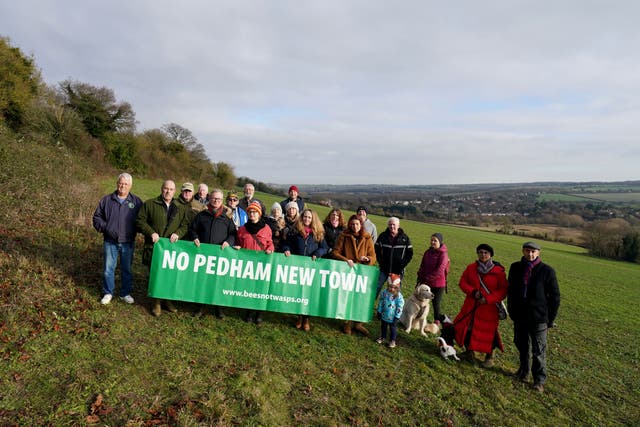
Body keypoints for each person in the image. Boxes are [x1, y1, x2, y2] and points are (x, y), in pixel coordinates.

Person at [508, 241, 560, 393]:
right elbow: (511, 291)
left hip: (539, 317)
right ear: (523, 251)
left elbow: (555, 296)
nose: (530, 254)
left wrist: (550, 318)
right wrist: (511, 310)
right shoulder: (515, 267)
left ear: (538, 253)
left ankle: (539, 380)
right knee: (521, 344)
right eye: (527, 250)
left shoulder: (547, 271)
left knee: (538, 350)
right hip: (520, 315)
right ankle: (523, 372)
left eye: (533, 251)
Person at [136, 180, 190, 316]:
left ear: (175, 191)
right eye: (166, 188)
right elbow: (139, 220)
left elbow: (185, 225)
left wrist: (178, 234)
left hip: (171, 249)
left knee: (169, 276)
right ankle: (156, 303)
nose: (168, 191)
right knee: (156, 275)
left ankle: (167, 300)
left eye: (171, 189)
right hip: (154, 247)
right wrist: (151, 232)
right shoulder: (150, 204)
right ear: (161, 189)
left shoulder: (180, 207)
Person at [453, 244, 508, 367]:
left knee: (489, 333)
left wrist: (488, 299)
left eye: (486, 253)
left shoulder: (498, 272)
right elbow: (462, 282)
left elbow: (503, 291)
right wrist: (472, 292)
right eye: (481, 252)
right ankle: (469, 352)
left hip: (489, 308)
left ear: (490, 255)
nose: (483, 255)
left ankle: (490, 357)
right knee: (468, 329)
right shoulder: (471, 268)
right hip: (471, 305)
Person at [92, 173, 143, 305]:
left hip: (128, 242)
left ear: (130, 185)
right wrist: (106, 227)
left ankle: (125, 293)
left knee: (126, 269)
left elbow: (142, 220)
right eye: (121, 183)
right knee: (109, 268)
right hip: (110, 241)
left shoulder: (136, 202)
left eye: (126, 184)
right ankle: (108, 292)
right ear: (117, 183)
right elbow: (97, 217)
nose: (123, 186)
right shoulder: (107, 200)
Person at [189, 189, 237, 319]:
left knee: (218, 282)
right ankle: (200, 306)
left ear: (222, 201)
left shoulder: (227, 218)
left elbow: (233, 234)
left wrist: (228, 242)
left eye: (219, 199)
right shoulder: (201, 215)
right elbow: (192, 229)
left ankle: (218, 308)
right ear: (210, 199)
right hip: (203, 256)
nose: (216, 201)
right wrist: (195, 237)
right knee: (203, 281)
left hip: (220, 256)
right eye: (214, 199)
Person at [282, 208, 328, 331]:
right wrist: (286, 249)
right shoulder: (295, 231)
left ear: (313, 219)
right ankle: (299, 317)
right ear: (301, 218)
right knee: (299, 292)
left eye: (309, 217)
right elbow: (286, 244)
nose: (307, 219)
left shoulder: (318, 233)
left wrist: (318, 253)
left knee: (309, 294)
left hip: (312, 268)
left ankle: (306, 319)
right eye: (305, 217)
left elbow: (325, 248)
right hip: (298, 267)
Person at [332, 215, 377, 336]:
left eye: (357, 224)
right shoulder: (344, 236)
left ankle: (358, 323)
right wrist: (346, 259)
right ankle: (347, 323)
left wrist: (367, 259)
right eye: (352, 224)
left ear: (361, 225)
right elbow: (335, 252)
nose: (354, 226)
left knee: (360, 298)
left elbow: (373, 256)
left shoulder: (367, 238)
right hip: (347, 271)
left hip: (362, 273)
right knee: (347, 297)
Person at [234, 202, 274, 324]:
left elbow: (270, 243)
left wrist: (270, 249)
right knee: (249, 288)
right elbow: (238, 243)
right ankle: (249, 312)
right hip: (247, 264)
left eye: (254, 212)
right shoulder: (242, 229)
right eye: (250, 212)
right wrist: (237, 247)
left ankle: (259, 313)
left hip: (262, 263)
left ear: (259, 214)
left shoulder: (266, 228)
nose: (252, 214)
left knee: (260, 288)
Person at [374, 217, 413, 298]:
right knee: (376, 287)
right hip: (384, 269)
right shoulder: (382, 236)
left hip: (397, 271)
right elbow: (376, 250)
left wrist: (402, 265)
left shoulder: (405, 238)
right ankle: (370, 305)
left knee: (395, 291)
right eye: (390, 224)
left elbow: (410, 253)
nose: (392, 226)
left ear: (398, 226)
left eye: (394, 225)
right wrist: (381, 262)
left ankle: (392, 309)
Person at [416, 233, 449, 324]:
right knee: (421, 300)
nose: (433, 242)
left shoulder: (443, 254)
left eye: (435, 240)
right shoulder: (427, 252)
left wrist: (427, 278)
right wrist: (420, 274)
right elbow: (422, 265)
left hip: (438, 284)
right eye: (432, 240)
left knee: (436, 304)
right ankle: (418, 318)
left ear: (440, 242)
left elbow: (440, 270)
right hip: (426, 282)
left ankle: (437, 322)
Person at [376, 274, 405, 349]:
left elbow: (400, 307)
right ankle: (383, 337)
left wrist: (397, 317)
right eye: (390, 287)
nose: (392, 289)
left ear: (397, 287)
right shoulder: (384, 293)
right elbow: (381, 302)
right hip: (384, 315)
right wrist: (379, 311)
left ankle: (392, 340)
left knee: (393, 328)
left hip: (393, 317)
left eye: (394, 287)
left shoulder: (399, 296)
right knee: (383, 327)